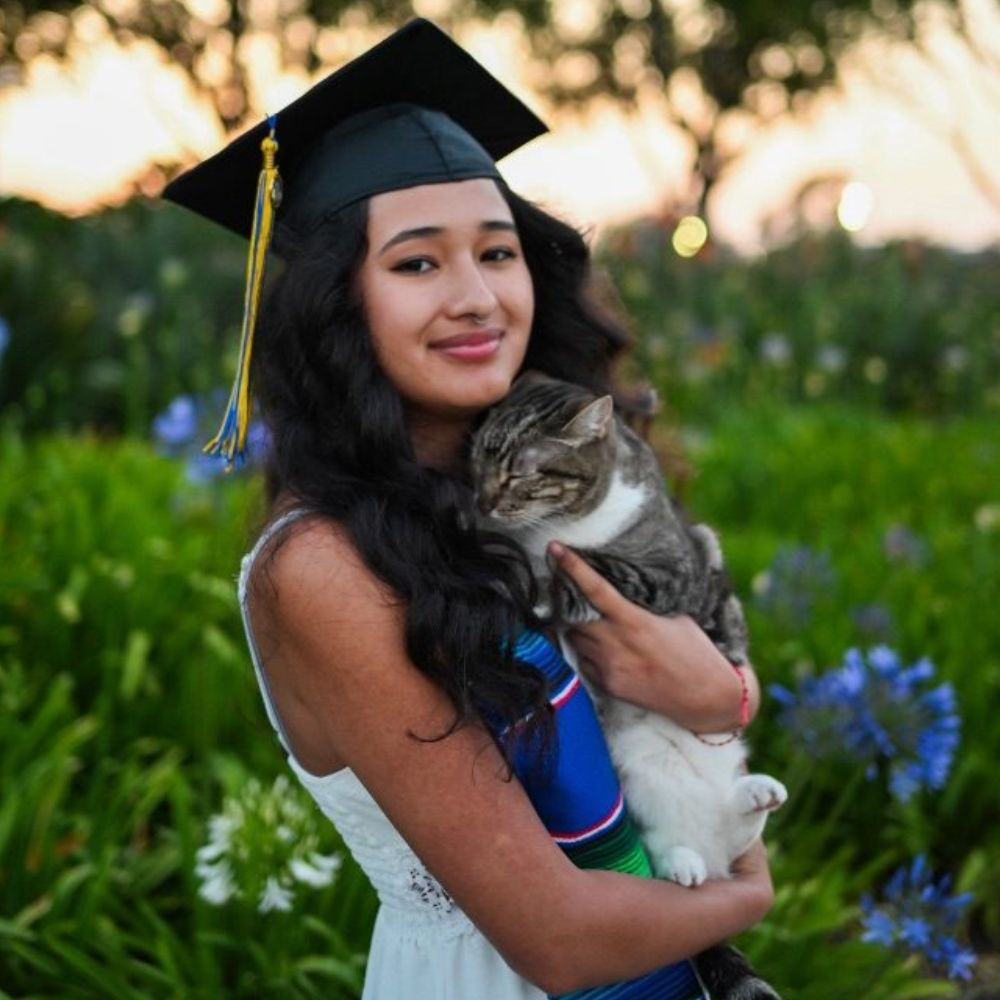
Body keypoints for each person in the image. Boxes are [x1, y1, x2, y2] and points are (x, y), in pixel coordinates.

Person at [163, 19, 773, 999]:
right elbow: (558, 938)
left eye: (497, 252)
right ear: (336, 301)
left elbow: (683, 720)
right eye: (416, 263)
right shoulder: (324, 569)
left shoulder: (541, 488)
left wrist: (719, 698)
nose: (476, 296)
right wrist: (749, 896)